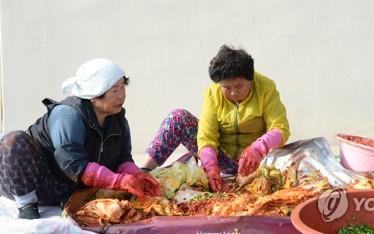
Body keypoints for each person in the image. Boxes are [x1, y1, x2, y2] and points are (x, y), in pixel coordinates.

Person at [0, 58, 160, 219]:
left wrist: (138, 176)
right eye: (114, 90)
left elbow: (123, 158)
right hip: (37, 181)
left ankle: (68, 200)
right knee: (14, 141)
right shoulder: (68, 115)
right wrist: (118, 181)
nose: (121, 96)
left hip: (70, 188)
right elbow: (72, 164)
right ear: (93, 95)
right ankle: (26, 204)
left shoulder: (118, 120)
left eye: (122, 87)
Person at [142, 45, 290, 191]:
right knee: (177, 118)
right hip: (222, 160)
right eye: (227, 87)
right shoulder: (213, 93)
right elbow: (206, 137)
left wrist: (257, 149)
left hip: (256, 160)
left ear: (250, 80)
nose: (233, 93)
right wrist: (211, 166)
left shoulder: (266, 88)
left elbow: (280, 128)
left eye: (239, 86)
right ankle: (143, 172)